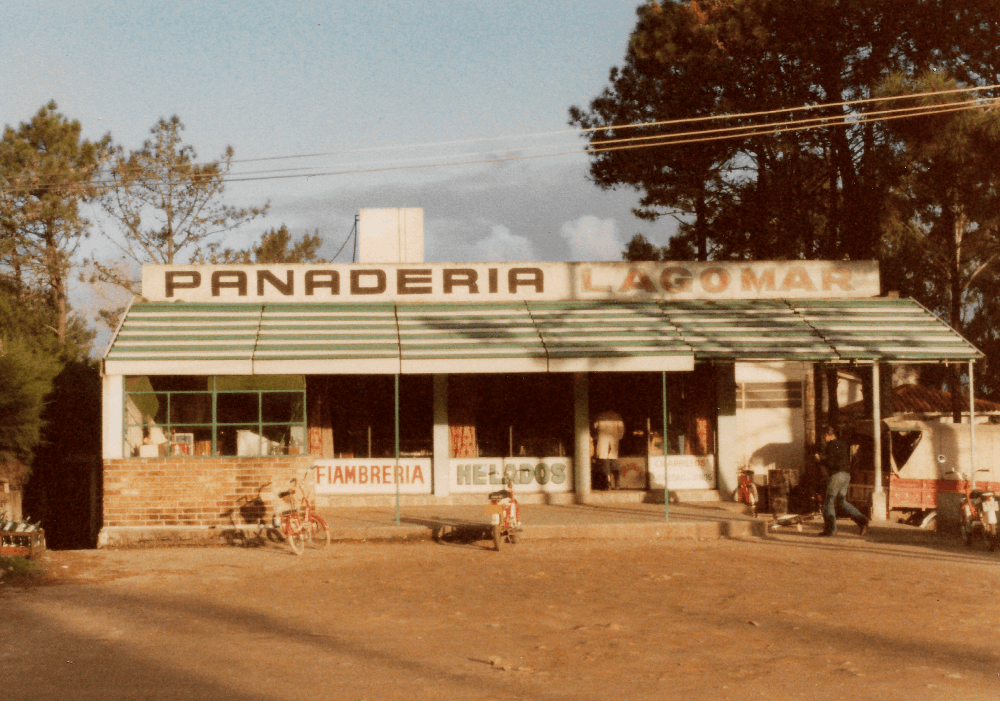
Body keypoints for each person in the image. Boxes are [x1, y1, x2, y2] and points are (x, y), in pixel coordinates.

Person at [818, 425, 869, 537]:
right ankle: (862, 521)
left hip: (837, 475)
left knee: (829, 501)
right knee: (841, 502)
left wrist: (820, 459)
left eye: (823, 437)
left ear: (827, 435)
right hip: (846, 475)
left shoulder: (831, 445)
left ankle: (831, 529)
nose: (823, 439)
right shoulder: (842, 444)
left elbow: (831, 463)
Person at [593, 410, 625, 489]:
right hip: (613, 443)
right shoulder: (617, 417)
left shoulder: (600, 416)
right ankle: (617, 484)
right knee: (613, 462)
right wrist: (618, 438)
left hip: (603, 443)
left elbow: (594, 427)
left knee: (605, 464)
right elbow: (621, 430)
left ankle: (608, 484)